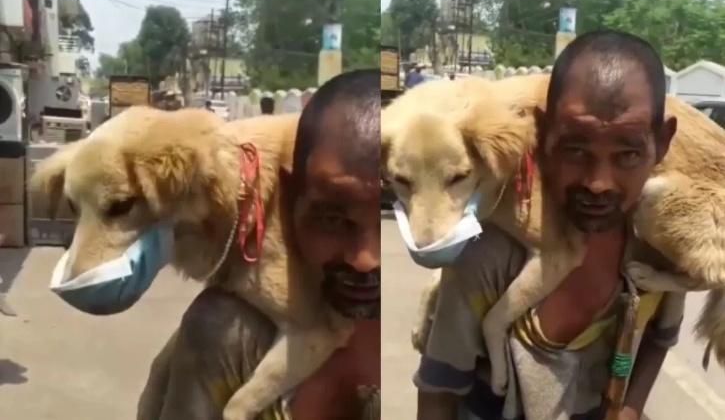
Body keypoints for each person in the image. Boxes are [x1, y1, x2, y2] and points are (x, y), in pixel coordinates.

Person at [414, 31, 685, 420]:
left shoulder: (662, 246)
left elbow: (660, 339)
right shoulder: (489, 257)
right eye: (575, 150)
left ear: (662, 142)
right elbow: (440, 389)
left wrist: (627, 411)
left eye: (627, 154)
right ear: (542, 136)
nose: (598, 182)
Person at [137, 69, 381, 420]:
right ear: (290, 196)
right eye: (332, 219)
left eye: (381, 222)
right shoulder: (226, 332)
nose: (365, 260)